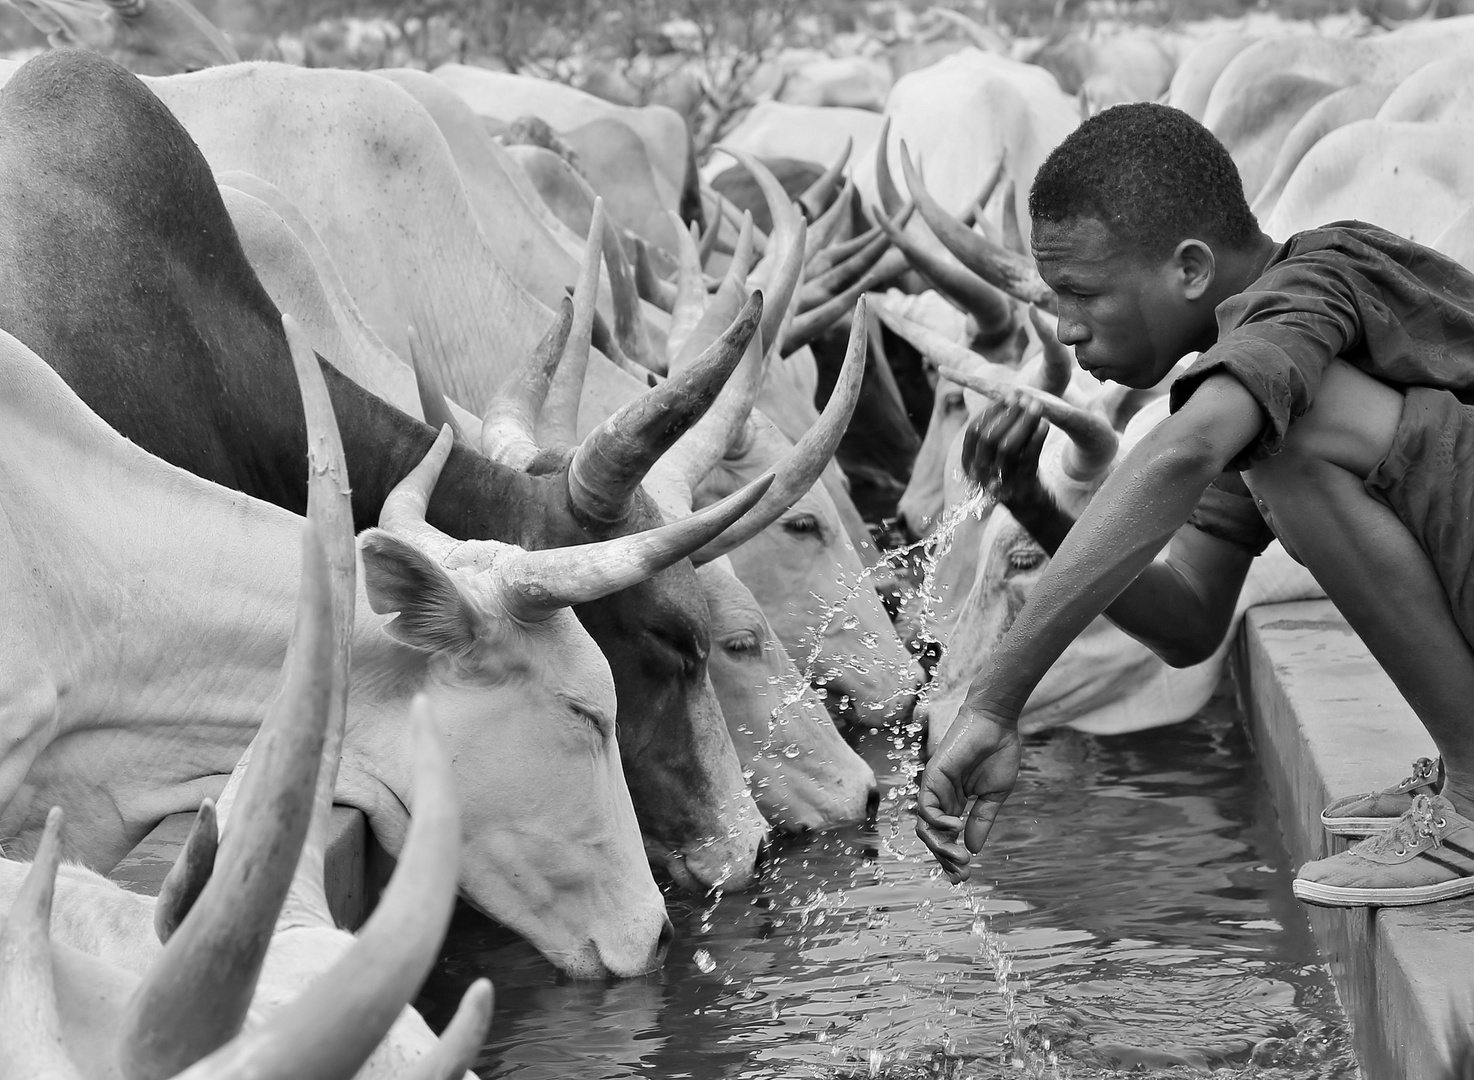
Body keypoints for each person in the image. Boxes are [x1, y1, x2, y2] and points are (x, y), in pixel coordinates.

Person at [915, 101, 1474, 908]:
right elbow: (1190, 625)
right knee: (1271, 435)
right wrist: (1036, 506)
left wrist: (995, 700)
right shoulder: (1243, 381)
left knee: (1291, 433)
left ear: (1189, 269)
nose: (1065, 328)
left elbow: (1184, 452)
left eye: (1081, 293)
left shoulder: (1313, 287)